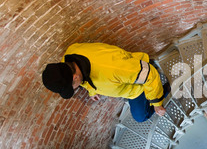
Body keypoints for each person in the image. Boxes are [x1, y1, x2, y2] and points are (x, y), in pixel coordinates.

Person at [42, 42, 171, 122]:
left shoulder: (112, 69)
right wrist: (92, 90)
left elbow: (149, 74)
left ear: (75, 77)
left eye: (73, 87)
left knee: (140, 117)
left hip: (137, 85)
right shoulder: (69, 56)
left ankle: (165, 89)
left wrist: (157, 103)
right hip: (126, 76)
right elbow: (85, 77)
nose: (75, 89)